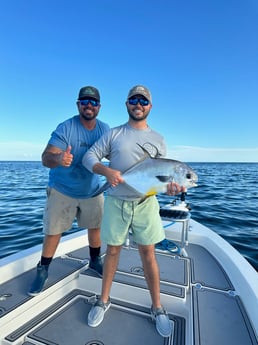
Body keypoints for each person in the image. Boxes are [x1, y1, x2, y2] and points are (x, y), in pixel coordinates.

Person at [82, 85, 185, 337]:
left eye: (144, 101)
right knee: (113, 251)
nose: (138, 104)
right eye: (134, 99)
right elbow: (88, 157)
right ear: (127, 103)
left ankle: (157, 307)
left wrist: (169, 189)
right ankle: (103, 300)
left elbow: (156, 178)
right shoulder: (114, 134)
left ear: (150, 106)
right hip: (116, 201)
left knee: (149, 254)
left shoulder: (159, 139)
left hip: (145, 204)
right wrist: (107, 172)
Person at [28, 86, 110, 296]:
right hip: (62, 189)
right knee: (54, 231)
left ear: (99, 107)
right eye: (85, 102)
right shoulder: (66, 128)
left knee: (96, 227)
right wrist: (59, 159)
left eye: (93, 102)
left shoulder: (105, 129)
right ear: (78, 105)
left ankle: (95, 261)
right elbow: (46, 158)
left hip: (92, 189)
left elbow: (116, 156)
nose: (89, 105)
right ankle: (43, 269)